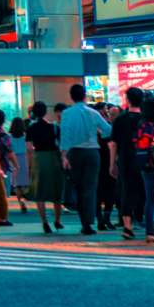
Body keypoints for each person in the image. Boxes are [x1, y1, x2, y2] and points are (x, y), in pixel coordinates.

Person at [56, 84, 110, 235]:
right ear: (85, 95)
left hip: (74, 152)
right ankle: (90, 222)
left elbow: (64, 135)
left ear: (71, 96)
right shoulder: (93, 113)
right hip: (92, 151)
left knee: (78, 187)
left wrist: (64, 155)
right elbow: (107, 130)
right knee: (91, 188)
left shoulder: (66, 113)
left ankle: (84, 222)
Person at [112, 88, 154, 241]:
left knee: (127, 190)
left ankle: (127, 226)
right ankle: (150, 226)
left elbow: (113, 143)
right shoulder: (146, 119)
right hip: (145, 160)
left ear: (127, 100)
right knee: (147, 191)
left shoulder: (120, 119)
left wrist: (111, 163)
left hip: (126, 159)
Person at [25, 102, 64, 233]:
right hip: (53, 158)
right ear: (46, 112)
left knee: (40, 192)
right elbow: (61, 144)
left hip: (39, 159)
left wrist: (30, 166)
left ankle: (44, 222)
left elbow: (29, 148)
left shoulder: (31, 128)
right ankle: (58, 220)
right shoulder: (54, 127)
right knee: (56, 190)